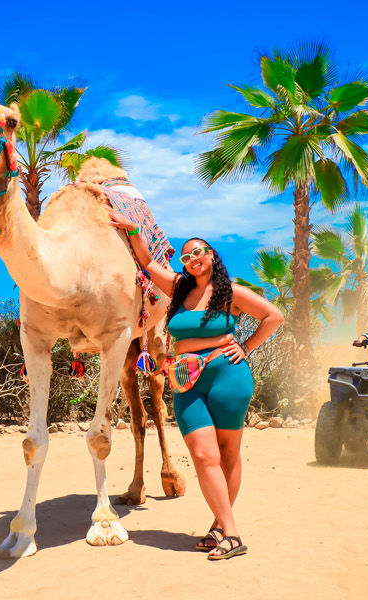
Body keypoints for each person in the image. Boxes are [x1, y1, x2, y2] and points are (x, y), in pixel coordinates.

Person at [108, 206, 283, 561]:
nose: (191, 259)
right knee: (204, 455)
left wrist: (246, 346)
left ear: (211, 256)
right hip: (186, 381)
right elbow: (147, 263)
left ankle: (223, 529)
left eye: (198, 253)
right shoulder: (178, 288)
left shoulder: (229, 292)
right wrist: (133, 232)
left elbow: (273, 316)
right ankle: (228, 530)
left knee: (228, 454)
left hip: (227, 374)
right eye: (186, 256)